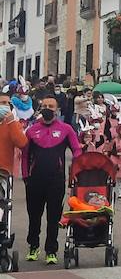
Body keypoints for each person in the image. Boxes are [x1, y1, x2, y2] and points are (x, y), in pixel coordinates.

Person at [22, 94, 82, 265]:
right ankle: (33, 247)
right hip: (34, 180)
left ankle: (51, 251)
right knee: (34, 216)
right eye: (45, 105)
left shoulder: (66, 129)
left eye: (52, 106)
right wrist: (26, 176)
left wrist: (75, 171)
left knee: (53, 217)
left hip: (56, 180)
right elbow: (24, 156)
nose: (48, 109)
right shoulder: (32, 130)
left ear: (57, 109)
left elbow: (77, 151)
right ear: (41, 108)